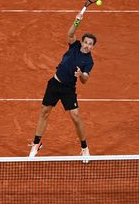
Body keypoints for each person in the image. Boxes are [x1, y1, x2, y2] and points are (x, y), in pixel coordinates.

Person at [29, 12, 96, 162]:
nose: (86, 45)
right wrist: (77, 21)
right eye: (86, 42)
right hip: (54, 83)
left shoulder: (89, 61)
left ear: (92, 47)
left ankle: (84, 148)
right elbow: (70, 34)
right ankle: (36, 144)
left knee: (76, 116)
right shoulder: (75, 45)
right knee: (45, 112)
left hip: (68, 89)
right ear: (82, 42)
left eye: (90, 44)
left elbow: (85, 80)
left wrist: (81, 75)